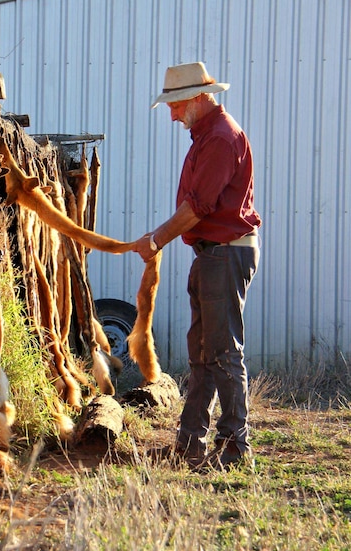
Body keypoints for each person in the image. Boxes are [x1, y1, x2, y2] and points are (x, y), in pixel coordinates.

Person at [133, 62, 262, 471]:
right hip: (213, 253)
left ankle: (235, 448)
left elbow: (199, 207)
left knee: (222, 352)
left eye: (173, 104)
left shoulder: (221, 138)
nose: (171, 114)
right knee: (204, 352)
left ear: (198, 97)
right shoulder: (207, 136)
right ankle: (191, 442)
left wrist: (155, 240)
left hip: (224, 253)